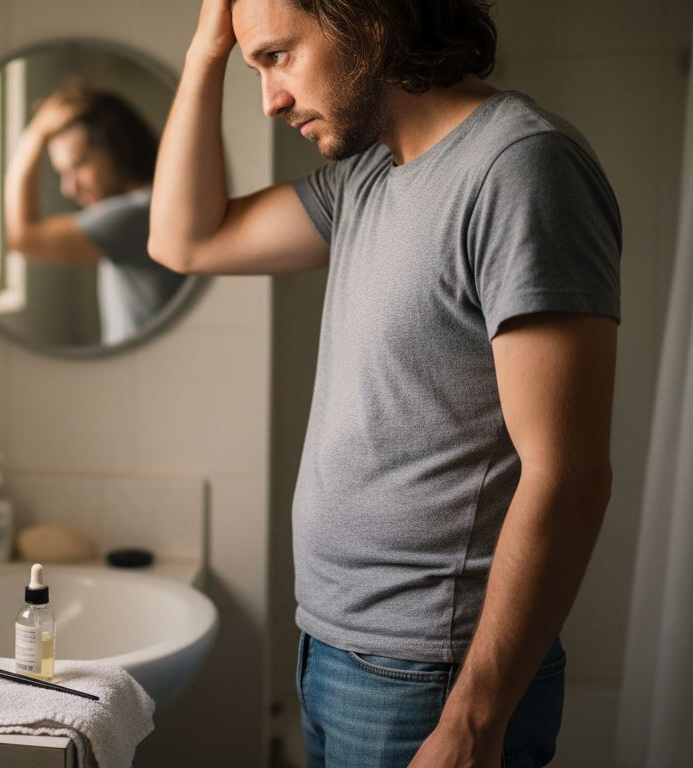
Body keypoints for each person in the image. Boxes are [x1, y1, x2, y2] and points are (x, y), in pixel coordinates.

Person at [148, 1, 620, 766]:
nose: (269, 100)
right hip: (335, 648)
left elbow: (569, 477)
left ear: (365, 17)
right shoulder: (369, 178)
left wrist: (471, 723)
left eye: (278, 58)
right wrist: (210, 44)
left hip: (433, 676)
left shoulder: (520, 166)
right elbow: (183, 240)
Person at [4, 82, 185, 345]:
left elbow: (23, 239)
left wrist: (34, 136)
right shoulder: (155, 203)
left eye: (78, 166)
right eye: (62, 173)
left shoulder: (136, 214)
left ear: (116, 149)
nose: (70, 188)